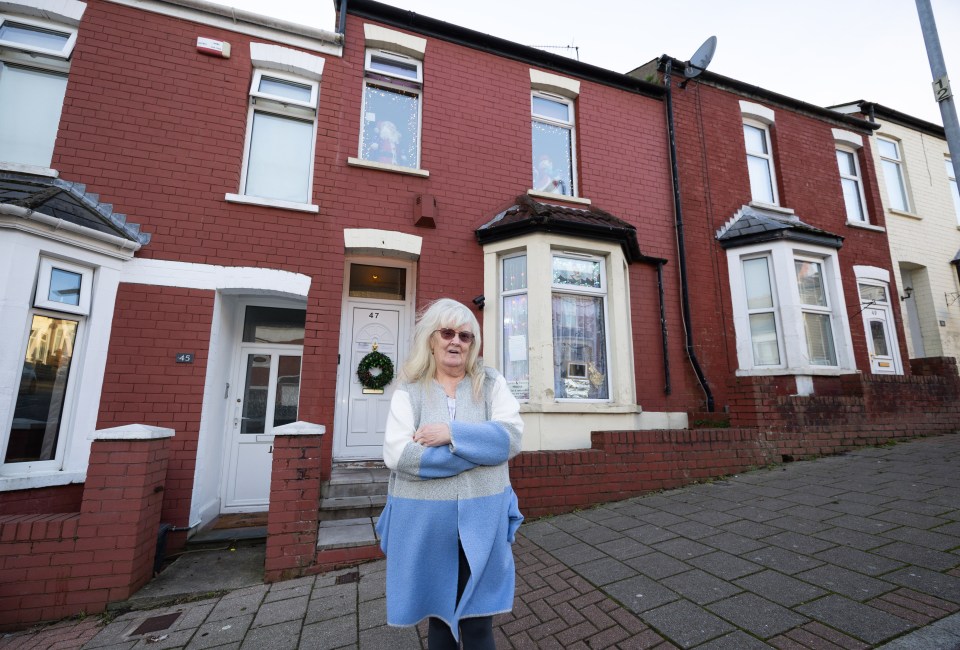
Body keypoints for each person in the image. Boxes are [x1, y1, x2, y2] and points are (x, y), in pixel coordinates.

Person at [376, 298, 524, 649]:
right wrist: (480, 451)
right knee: (440, 625)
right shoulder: (408, 392)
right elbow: (398, 455)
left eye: (465, 335)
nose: (455, 341)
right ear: (432, 338)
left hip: (483, 523)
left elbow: (512, 438)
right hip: (425, 526)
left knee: (477, 625)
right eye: (447, 333)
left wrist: (451, 434)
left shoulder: (491, 384)